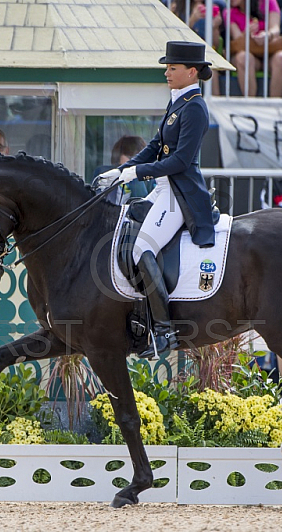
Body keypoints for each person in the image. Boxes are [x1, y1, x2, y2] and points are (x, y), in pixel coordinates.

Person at [96, 41, 217, 359]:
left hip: (179, 193)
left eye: (172, 68)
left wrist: (136, 175)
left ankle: (163, 332)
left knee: (141, 248)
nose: (167, 72)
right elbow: (154, 146)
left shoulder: (195, 108)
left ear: (191, 72)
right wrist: (119, 171)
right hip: (162, 189)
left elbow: (179, 161)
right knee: (128, 230)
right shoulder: (178, 102)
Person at [229, 0, 282, 97]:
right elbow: (238, 40)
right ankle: (250, 107)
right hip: (246, 54)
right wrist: (246, 33)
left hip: (268, 53)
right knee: (244, 58)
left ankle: (274, 108)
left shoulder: (269, 2)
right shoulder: (229, 12)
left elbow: (275, 28)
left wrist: (267, 35)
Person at [95, 135, 155, 204]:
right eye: (130, 156)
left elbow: (143, 205)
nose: (135, 160)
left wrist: (135, 175)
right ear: (119, 156)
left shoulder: (150, 180)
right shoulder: (105, 173)